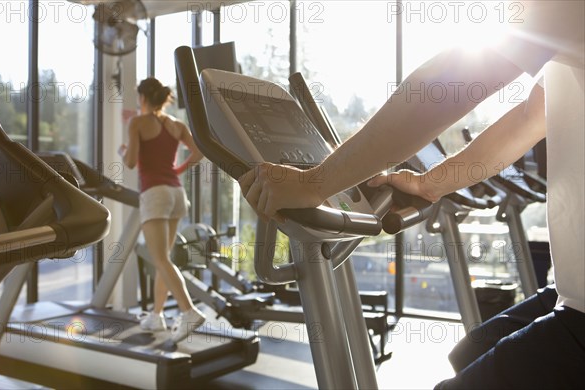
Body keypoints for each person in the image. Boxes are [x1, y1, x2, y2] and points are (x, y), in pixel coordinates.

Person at [238, 1, 584, 388]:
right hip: (570, 295)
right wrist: (428, 184)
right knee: (469, 351)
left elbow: (451, 83)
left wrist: (315, 183)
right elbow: (529, 117)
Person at [119, 77, 205, 343]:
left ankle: (189, 311)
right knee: (164, 259)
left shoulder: (137, 122)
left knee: (160, 259)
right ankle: (156, 315)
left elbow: (131, 162)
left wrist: (122, 150)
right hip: (177, 193)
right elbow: (199, 152)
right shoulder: (176, 125)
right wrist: (178, 170)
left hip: (155, 194)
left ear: (143, 98)